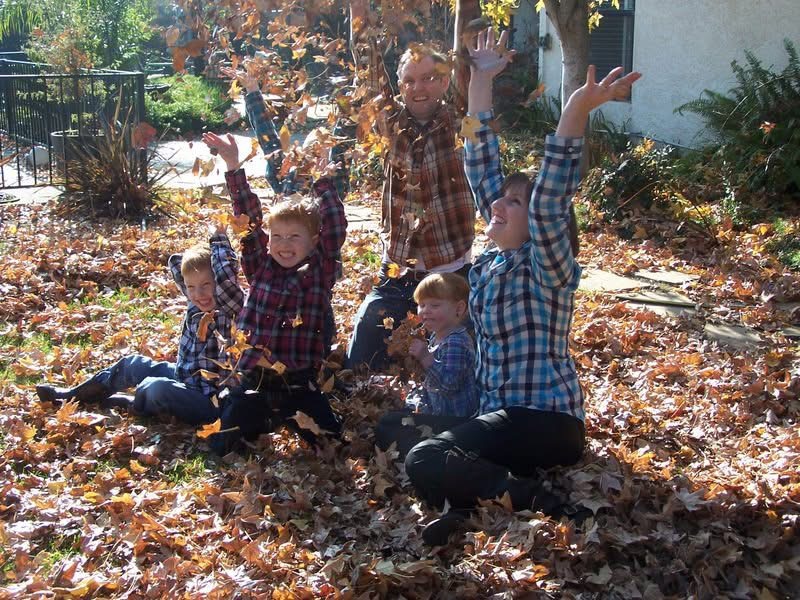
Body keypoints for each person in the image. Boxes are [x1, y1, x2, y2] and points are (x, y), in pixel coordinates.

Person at [397, 29, 642, 545]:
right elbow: (480, 159)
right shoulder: (492, 262)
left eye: (513, 205)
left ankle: (539, 501)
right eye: (500, 201)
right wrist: (481, 78)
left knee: (427, 456)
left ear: (538, 224)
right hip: (498, 415)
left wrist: (575, 108)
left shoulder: (548, 267)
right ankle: (473, 504)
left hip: (545, 421)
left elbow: (551, 199)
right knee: (395, 429)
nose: (497, 207)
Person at [344, 0, 475, 371]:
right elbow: (369, 70)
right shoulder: (390, 123)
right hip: (399, 268)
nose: (419, 87)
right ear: (400, 85)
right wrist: (359, 13)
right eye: (410, 80)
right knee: (363, 350)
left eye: (430, 78)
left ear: (445, 81)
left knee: (462, 357)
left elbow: (468, 69)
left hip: (449, 269)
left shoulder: (459, 122)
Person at [200, 129, 347, 454]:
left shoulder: (318, 271)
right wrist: (233, 166)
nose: (283, 244)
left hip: (299, 386)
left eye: (295, 237)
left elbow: (335, 225)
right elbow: (248, 220)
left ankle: (297, 422)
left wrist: (323, 180)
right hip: (256, 382)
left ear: (313, 242)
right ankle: (247, 418)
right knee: (224, 444)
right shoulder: (260, 265)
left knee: (331, 444)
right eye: (278, 236)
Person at [35, 231, 245, 426]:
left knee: (156, 388)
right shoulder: (196, 302)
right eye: (191, 287)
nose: (199, 293)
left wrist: (219, 241)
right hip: (185, 376)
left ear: (218, 282)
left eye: (206, 285)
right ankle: (74, 395)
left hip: (209, 400)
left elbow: (227, 278)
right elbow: (176, 264)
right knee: (132, 365)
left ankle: (133, 404)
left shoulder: (228, 307)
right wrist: (196, 265)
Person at [374, 272, 478, 455]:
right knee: (387, 421)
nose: (425, 311)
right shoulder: (436, 339)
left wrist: (425, 358)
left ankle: (430, 454)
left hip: (457, 422)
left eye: (435, 305)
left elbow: (449, 384)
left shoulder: (456, 342)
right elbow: (430, 383)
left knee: (387, 428)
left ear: (459, 309)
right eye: (421, 305)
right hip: (438, 413)